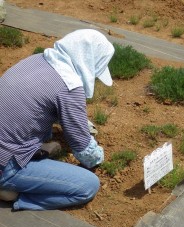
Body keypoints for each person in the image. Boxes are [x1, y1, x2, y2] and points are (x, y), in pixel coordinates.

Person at [0, 29, 115, 211]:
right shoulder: (69, 87)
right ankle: (15, 192)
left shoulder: (38, 59)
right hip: (5, 164)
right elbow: (85, 151)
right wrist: (99, 156)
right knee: (88, 186)